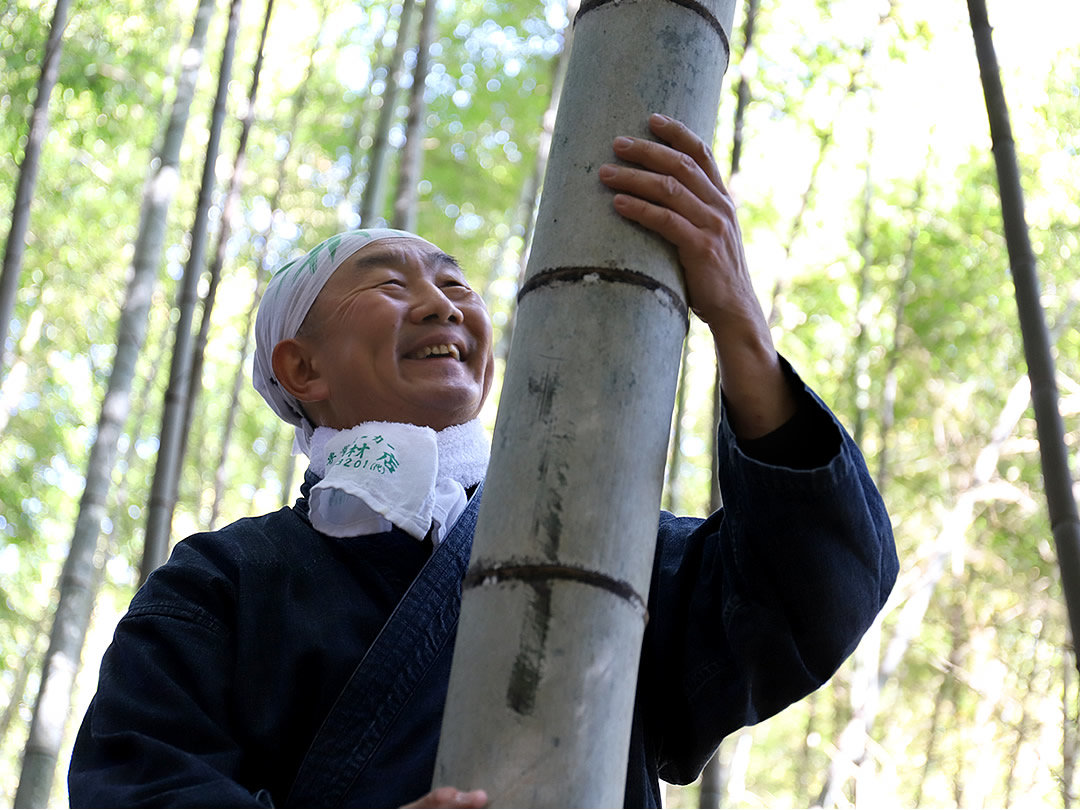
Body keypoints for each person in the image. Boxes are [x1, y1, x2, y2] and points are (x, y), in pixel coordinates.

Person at [69, 114, 898, 807]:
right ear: (302, 369)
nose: (441, 302)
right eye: (389, 284)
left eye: (457, 285)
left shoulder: (597, 541)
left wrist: (740, 323)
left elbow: (814, 594)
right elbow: (136, 785)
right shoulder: (225, 580)